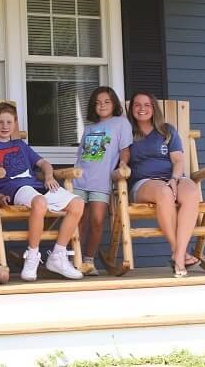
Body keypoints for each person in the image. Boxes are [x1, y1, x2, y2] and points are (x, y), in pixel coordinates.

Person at [0, 101, 84, 281]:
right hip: (14, 189)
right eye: (0, 122)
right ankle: (32, 256)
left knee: (77, 203)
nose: (5, 126)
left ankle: (58, 255)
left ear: (15, 123)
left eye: (9, 122)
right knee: (40, 202)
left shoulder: (21, 145)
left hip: (37, 187)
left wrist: (48, 176)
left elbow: (44, 164)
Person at [127, 91, 201, 278]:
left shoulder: (167, 131)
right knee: (164, 193)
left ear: (154, 109)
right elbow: (120, 160)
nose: (142, 109)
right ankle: (179, 253)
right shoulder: (126, 134)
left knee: (192, 191)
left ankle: (178, 253)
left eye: (147, 105)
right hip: (144, 183)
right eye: (137, 105)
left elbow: (178, 160)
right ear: (131, 109)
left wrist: (175, 179)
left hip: (172, 178)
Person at [71, 86, 132, 275]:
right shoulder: (89, 128)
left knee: (97, 220)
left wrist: (122, 165)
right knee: (78, 220)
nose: (102, 105)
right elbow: (81, 156)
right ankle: (75, 259)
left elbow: (125, 150)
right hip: (80, 180)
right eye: (97, 103)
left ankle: (89, 260)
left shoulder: (121, 123)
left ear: (114, 103)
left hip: (101, 181)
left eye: (106, 101)